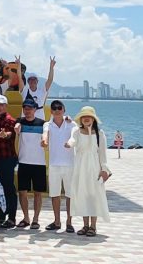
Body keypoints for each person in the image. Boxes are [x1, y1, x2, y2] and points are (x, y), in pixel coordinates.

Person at [65, 106, 111, 236]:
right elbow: (73, 140)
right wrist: (69, 144)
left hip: (94, 167)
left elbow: (102, 153)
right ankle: (85, 225)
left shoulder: (100, 134)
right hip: (80, 167)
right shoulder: (76, 131)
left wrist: (104, 168)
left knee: (93, 195)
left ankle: (93, 226)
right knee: (83, 194)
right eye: (84, 117)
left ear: (93, 119)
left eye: (89, 117)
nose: (86, 119)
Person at [14, 96, 48, 229]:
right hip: (23, 162)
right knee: (22, 192)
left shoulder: (43, 123)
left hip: (39, 163)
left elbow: (47, 132)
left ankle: (36, 219)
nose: (27, 111)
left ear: (35, 109)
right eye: (25, 108)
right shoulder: (20, 122)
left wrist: (44, 140)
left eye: (30, 108)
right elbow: (17, 126)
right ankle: (26, 218)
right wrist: (17, 128)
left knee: (38, 193)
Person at [42, 99, 75, 232]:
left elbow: (76, 135)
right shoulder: (47, 125)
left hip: (69, 164)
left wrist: (70, 143)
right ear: (51, 111)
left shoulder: (71, 124)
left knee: (70, 195)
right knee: (55, 194)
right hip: (54, 164)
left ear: (63, 110)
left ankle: (69, 222)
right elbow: (45, 134)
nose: (57, 110)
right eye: (54, 108)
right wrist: (44, 141)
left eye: (59, 108)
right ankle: (57, 221)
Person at [0, 93, 18, 228]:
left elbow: (9, 134)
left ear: (6, 106)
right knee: (0, 189)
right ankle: (2, 215)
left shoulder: (9, 120)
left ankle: (12, 217)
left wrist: (4, 135)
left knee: (8, 188)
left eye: (1, 105)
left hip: (7, 159)